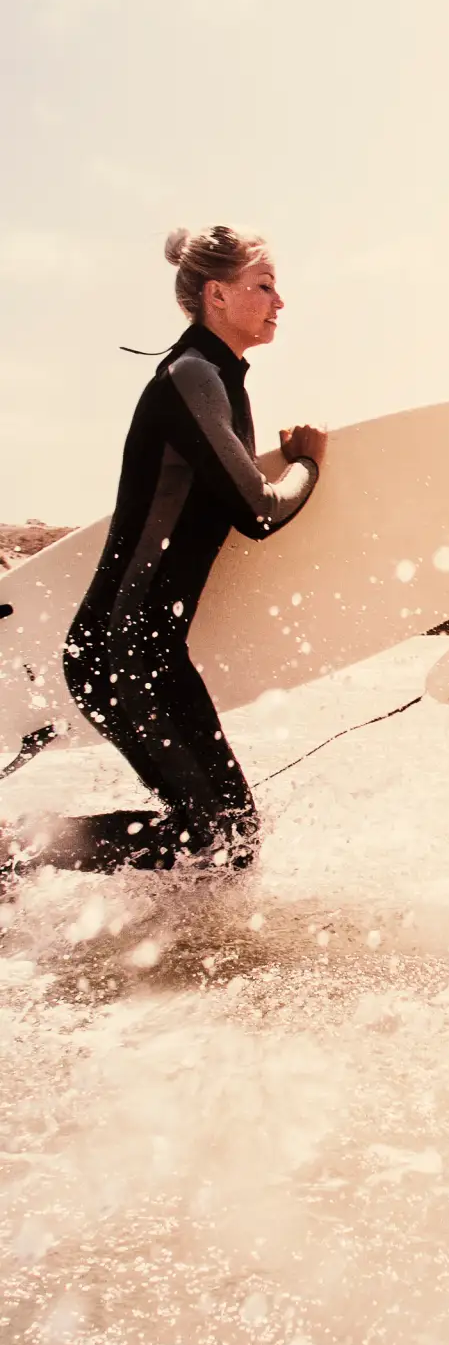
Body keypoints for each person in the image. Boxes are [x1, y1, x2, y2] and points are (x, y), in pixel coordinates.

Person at [52, 226, 327, 875]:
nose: (279, 300)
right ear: (217, 295)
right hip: (122, 651)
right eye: (263, 286)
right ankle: (21, 851)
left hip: (138, 650)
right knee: (220, 840)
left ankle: (63, 885)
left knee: (223, 839)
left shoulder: (217, 378)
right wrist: (309, 465)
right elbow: (257, 510)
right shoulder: (193, 376)